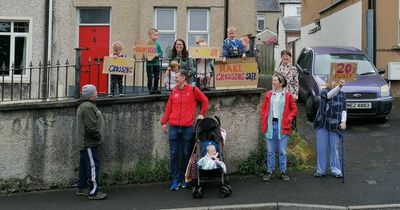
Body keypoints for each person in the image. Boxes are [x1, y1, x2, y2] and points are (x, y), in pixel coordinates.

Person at [161, 69, 209, 191]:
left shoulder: (193, 90)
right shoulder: (174, 91)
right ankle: (175, 180)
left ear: (183, 77)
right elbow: (169, 107)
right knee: (174, 154)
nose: (175, 79)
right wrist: (164, 122)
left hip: (188, 127)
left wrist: (202, 114)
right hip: (174, 127)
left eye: (176, 77)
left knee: (186, 153)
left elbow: (205, 101)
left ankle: (184, 179)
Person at [260, 74, 297, 181]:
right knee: (270, 151)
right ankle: (270, 171)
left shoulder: (288, 95)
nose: (273, 82)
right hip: (271, 125)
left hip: (283, 125)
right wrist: (264, 118)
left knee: (282, 151)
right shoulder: (269, 94)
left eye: (275, 80)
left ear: (281, 83)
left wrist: (289, 119)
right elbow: (264, 109)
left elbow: (294, 109)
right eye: (273, 80)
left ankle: (283, 171)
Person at [74, 84, 107, 200]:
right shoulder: (87, 107)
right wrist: (98, 136)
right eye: (95, 91)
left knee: (84, 165)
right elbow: (91, 126)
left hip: (85, 142)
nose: (97, 93)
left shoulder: (86, 105)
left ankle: (82, 187)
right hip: (89, 142)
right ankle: (94, 191)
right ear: (91, 95)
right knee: (93, 165)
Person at [313, 79, 347, 178]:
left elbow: (344, 109)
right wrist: (339, 86)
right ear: (328, 82)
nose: (337, 83)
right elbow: (329, 96)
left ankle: (336, 170)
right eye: (335, 81)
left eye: (338, 82)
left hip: (335, 125)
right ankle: (320, 171)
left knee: (334, 149)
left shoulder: (342, 95)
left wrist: (343, 121)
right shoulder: (324, 91)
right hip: (322, 123)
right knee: (321, 149)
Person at [146, 28, 163, 94]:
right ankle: (150, 89)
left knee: (157, 77)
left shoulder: (158, 45)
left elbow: (161, 53)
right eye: (154, 35)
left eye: (157, 35)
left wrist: (157, 54)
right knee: (150, 77)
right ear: (150, 36)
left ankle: (155, 89)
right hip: (149, 64)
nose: (156, 36)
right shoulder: (147, 44)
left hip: (156, 63)